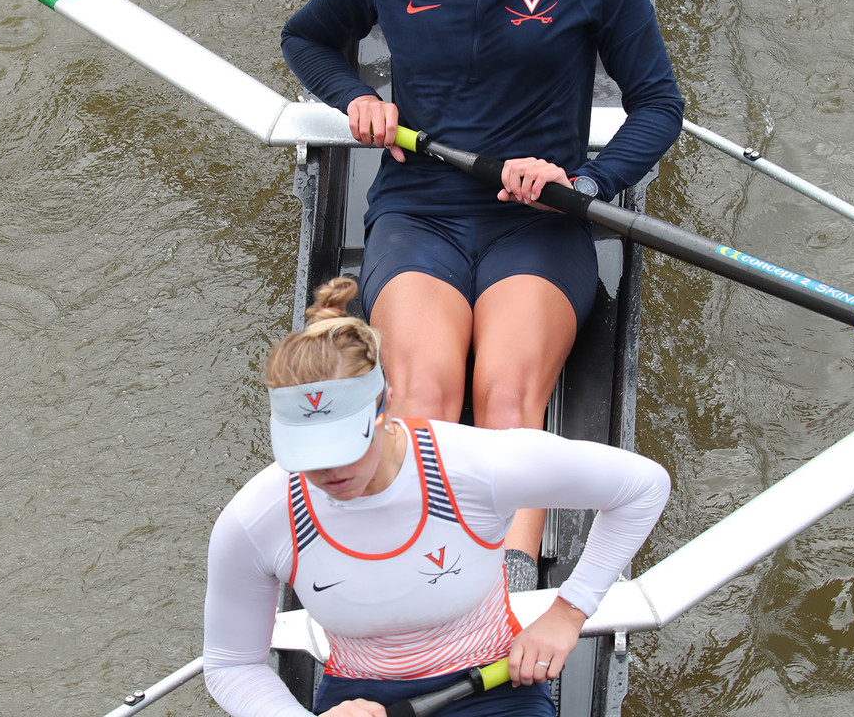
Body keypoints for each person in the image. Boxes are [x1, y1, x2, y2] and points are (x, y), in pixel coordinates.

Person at [280, 0, 682, 581]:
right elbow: (307, 39)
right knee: (423, 397)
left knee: (505, 400)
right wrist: (357, 98)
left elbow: (657, 106)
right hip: (417, 212)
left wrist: (587, 185)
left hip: (538, 222)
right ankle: (419, 573)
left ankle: (509, 579)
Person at [202, 277, 670, 717]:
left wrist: (568, 614)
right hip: (360, 698)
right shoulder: (257, 518)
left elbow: (643, 488)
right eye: (307, 455)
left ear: (384, 404)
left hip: (495, 682)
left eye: (345, 447)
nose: (328, 472)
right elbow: (231, 665)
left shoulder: (473, 465)